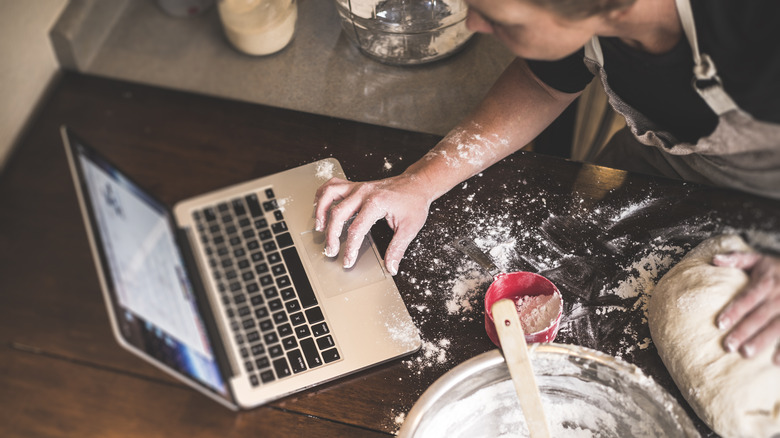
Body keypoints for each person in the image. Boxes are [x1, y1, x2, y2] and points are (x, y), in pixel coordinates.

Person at [314, 0, 780, 364]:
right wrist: (419, 182)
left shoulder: (757, 31)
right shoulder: (590, 17)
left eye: (504, 18)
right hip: (656, 168)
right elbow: (544, 83)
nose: (474, 23)